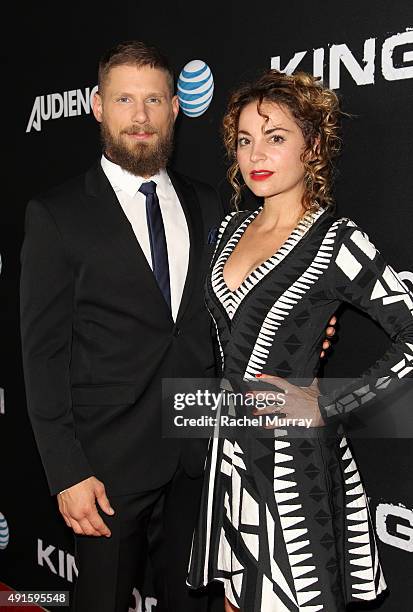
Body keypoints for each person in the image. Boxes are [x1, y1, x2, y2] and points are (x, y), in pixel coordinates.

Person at [20, 42, 335, 611]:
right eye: (124, 99)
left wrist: (308, 327)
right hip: (106, 472)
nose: (140, 116)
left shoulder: (212, 203)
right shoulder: (56, 214)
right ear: (98, 107)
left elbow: (246, 302)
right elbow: (41, 355)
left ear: (174, 109)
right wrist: (66, 471)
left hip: (202, 459)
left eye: (154, 100)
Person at [187, 69, 413, 611]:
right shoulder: (228, 230)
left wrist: (328, 401)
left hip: (295, 466)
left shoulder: (338, 241)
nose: (255, 154)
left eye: (276, 136)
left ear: (312, 144)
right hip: (229, 457)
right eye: (245, 140)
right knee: (237, 601)